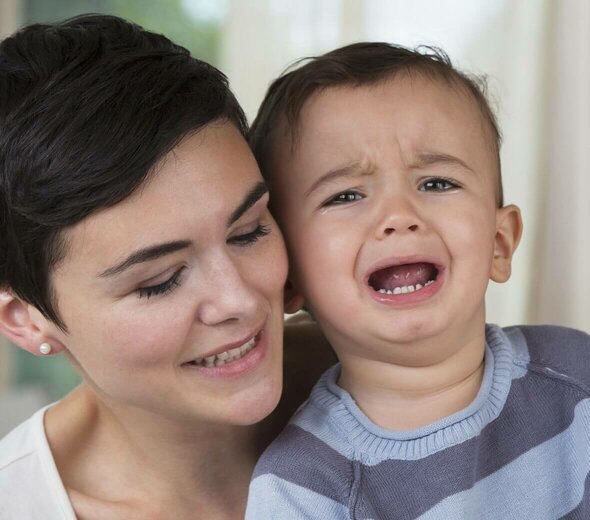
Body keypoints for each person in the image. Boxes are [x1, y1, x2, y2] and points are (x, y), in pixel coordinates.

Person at [0, 14, 333, 519]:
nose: (239, 300)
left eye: (249, 232)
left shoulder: (416, 371)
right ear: (24, 318)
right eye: (160, 283)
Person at [246, 42, 590, 519]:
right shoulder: (301, 487)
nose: (399, 216)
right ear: (289, 277)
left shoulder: (576, 376)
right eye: (345, 195)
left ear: (499, 242)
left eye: (436, 183)